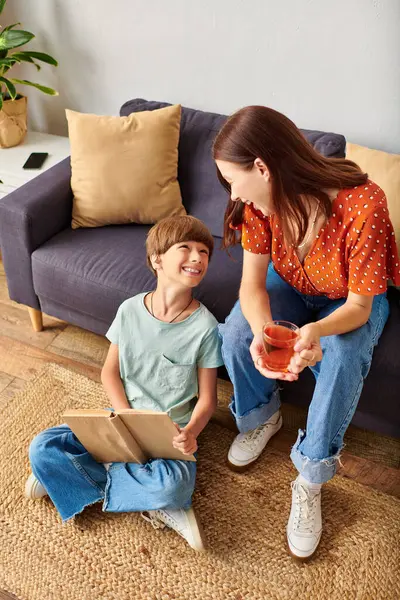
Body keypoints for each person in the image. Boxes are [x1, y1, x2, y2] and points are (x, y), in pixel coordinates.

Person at [213, 105, 400, 561]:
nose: (232, 194)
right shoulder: (257, 207)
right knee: (237, 330)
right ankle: (261, 417)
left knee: (341, 353)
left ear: (262, 167)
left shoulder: (364, 204)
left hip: (348, 301)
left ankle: (311, 476)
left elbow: (359, 306)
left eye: (233, 180)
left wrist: (315, 331)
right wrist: (262, 332)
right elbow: (253, 286)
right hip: (292, 285)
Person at [25, 215, 223, 551]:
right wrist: (124, 417)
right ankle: (150, 499)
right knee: (42, 447)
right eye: (186, 248)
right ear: (157, 259)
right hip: (119, 417)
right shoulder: (129, 310)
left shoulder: (205, 326)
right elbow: (109, 372)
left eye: (204, 251)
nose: (198, 257)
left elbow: (207, 401)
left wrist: (190, 434)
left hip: (168, 435)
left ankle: (96, 480)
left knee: (172, 485)